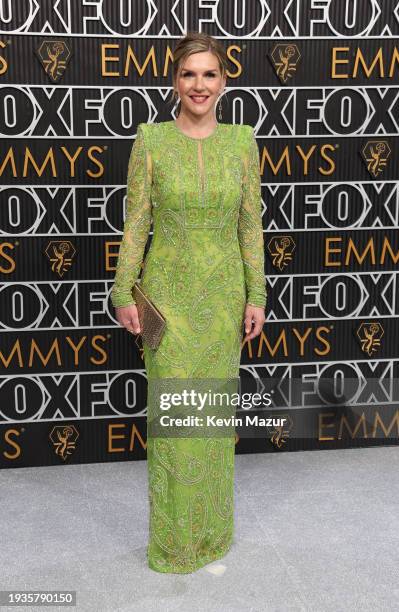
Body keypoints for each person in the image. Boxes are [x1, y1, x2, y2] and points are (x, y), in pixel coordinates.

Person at [111, 31, 266, 574]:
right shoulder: (150, 140)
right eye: (188, 74)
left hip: (223, 303)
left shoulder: (243, 141)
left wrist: (257, 295)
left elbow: (251, 227)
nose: (198, 84)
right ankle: (175, 546)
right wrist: (121, 290)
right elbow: (136, 226)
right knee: (176, 423)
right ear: (174, 80)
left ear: (224, 82)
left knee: (213, 422)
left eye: (209, 74)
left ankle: (213, 538)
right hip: (168, 304)